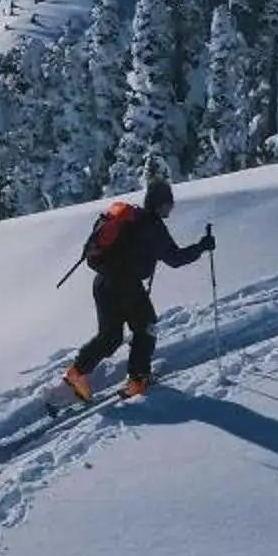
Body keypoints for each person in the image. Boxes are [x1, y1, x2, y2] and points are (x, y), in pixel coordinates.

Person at [64, 171, 213, 400]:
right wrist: (201, 247)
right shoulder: (153, 226)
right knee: (147, 328)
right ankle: (138, 380)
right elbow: (175, 259)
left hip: (103, 283)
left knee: (110, 336)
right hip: (126, 286)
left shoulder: (131, 219)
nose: (171, 209)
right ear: (161, 204)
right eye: (169, 204)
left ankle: (77, 372)